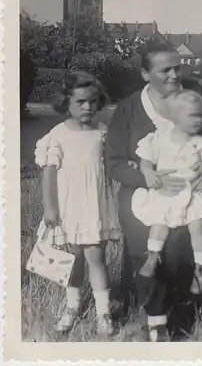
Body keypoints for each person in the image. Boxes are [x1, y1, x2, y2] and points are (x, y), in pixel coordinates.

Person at [106, 42, 202, 342]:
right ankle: (157, 317)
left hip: (196, 190)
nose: (175, 75)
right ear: (146, 74)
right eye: (166, 70)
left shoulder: (194, 97)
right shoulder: (129, 108)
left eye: (178, 67)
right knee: (143, 231)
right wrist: (146, 177)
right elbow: (114, 163)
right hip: (149, 192)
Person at [34, 71, 121, 337]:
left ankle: (103, 311)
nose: (87, 107)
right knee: (73, 260)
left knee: (96, 257)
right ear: (66, 103)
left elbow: (110, 167)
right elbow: (48, 174)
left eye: (93, 101)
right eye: (80, 102)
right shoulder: (58, 135)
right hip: (69, 205)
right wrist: (50, 208)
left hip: (95, 204)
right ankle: (72, 306)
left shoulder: (102, 132)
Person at [132, 90, 202, 295]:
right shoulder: (159, 139)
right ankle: (152, 256)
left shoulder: (201, 142)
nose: (197, 120)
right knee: (159, 222)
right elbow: (146, 160)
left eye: (200, 116)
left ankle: (200, 268)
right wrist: (149, 173)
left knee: (198, 226)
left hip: (193, 193)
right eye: (191, 115)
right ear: (174, 117)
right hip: (167, 193)